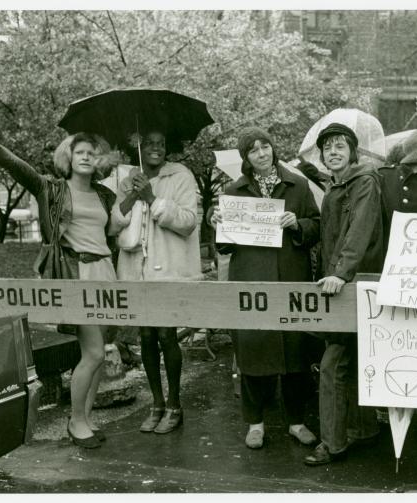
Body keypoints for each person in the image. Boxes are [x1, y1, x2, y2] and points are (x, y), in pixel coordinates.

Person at [0, 117, 117, 449]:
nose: (85, 157)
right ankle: (76, 421)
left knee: (100, 353)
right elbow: (15, 166)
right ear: (68, 157)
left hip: (106, 274)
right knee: (94, 352)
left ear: (98, 159)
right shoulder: (51, 189)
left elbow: (111, 232)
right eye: (79, 151)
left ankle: (86, 417)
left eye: (91, 152)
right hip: (74, 276)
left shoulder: (104, 195)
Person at [210, 127, 323, 449]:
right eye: (254, 150)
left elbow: (316, 227)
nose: (262, 154)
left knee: (294, 352)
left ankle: (296, 421)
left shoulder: (298, 185)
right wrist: (219, 224)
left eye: (266, 147)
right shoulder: (234, 191)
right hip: (251, 280)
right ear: (245, 157)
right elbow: (224, 248)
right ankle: (255, 423)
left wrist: (298, 224)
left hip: (290, 277)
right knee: (253, 350)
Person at [109, 130, 202, 434]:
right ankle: (156, 404)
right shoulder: (128, 181)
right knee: (146, 337)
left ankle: (175, 405)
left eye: (161, 144)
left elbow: (189, 222)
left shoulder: (181, 176)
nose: (155, 149)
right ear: (136, 146)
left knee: (166, 334)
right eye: (149, 144)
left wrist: (153, 199)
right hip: (137, 271)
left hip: (169, 270)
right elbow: (114, 224)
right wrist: (134, 195)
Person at [303, 122, 384, 466]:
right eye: (327, 148)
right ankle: (364, 428)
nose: (332, 153)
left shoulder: (364, 182)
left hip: (355, 284)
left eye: (340, 146)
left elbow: (359, 231)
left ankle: (332, 443)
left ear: (353, 151)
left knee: (333, 364)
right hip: (341, 285)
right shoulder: (335, 189)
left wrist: (339, 273)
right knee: (351, 358)